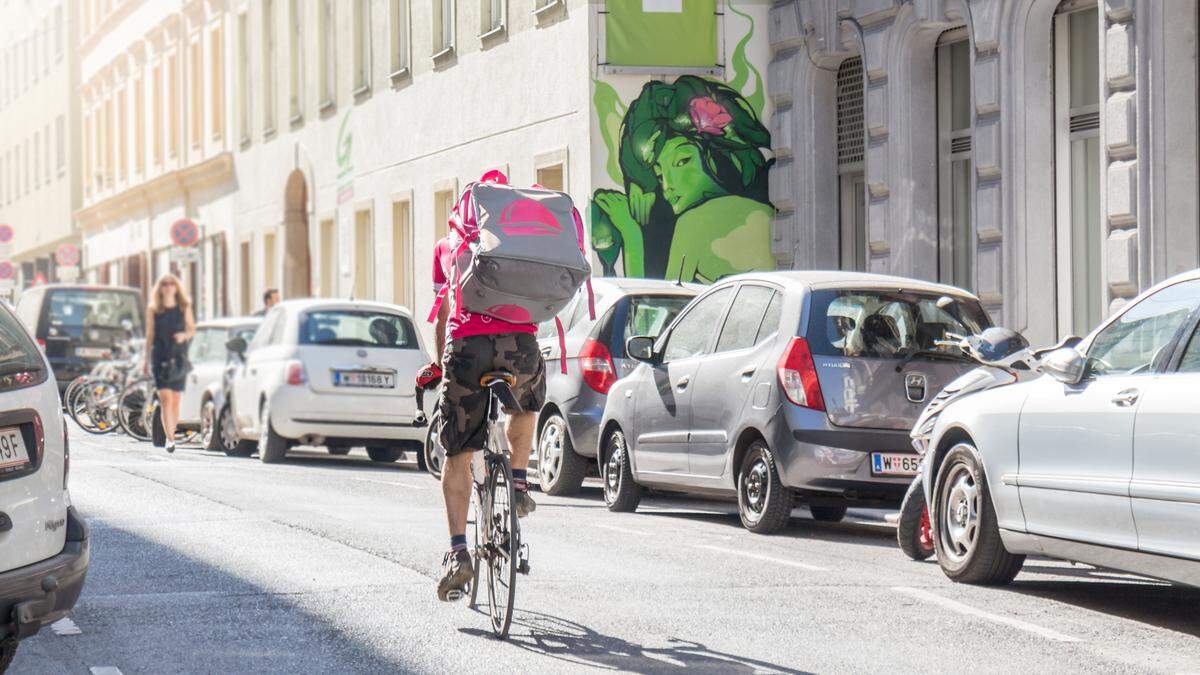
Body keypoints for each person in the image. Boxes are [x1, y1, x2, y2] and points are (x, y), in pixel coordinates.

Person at [425, 173, 544, 602]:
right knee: (528, 401)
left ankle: (459, 554)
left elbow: (442, 314)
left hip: (468, 352)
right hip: (521, 349)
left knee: (456, 454)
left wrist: (442, 369)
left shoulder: (448, 245)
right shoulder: (526, 243)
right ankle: (517, 481)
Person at [592, 75, 775, 282]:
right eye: (660, 174)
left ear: (715, 154)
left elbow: (658, 302)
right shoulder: (766, 212)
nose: (668, 185)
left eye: (682, 161)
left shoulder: (694, 222)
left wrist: (630, 231)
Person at [144, 273, 195, 453]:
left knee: (175, 399)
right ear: (160, 288)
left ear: (176, 287)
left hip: (178, 356)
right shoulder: (154, 309)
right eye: (164, 284)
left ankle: (171, 433)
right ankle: (170, 439)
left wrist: (184, 336)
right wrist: (145, 359)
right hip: (160, 355)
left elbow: (191, 329)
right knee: (165, 399)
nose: (168, 287)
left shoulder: (184, 306)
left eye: (171, 283)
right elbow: (150, 335)